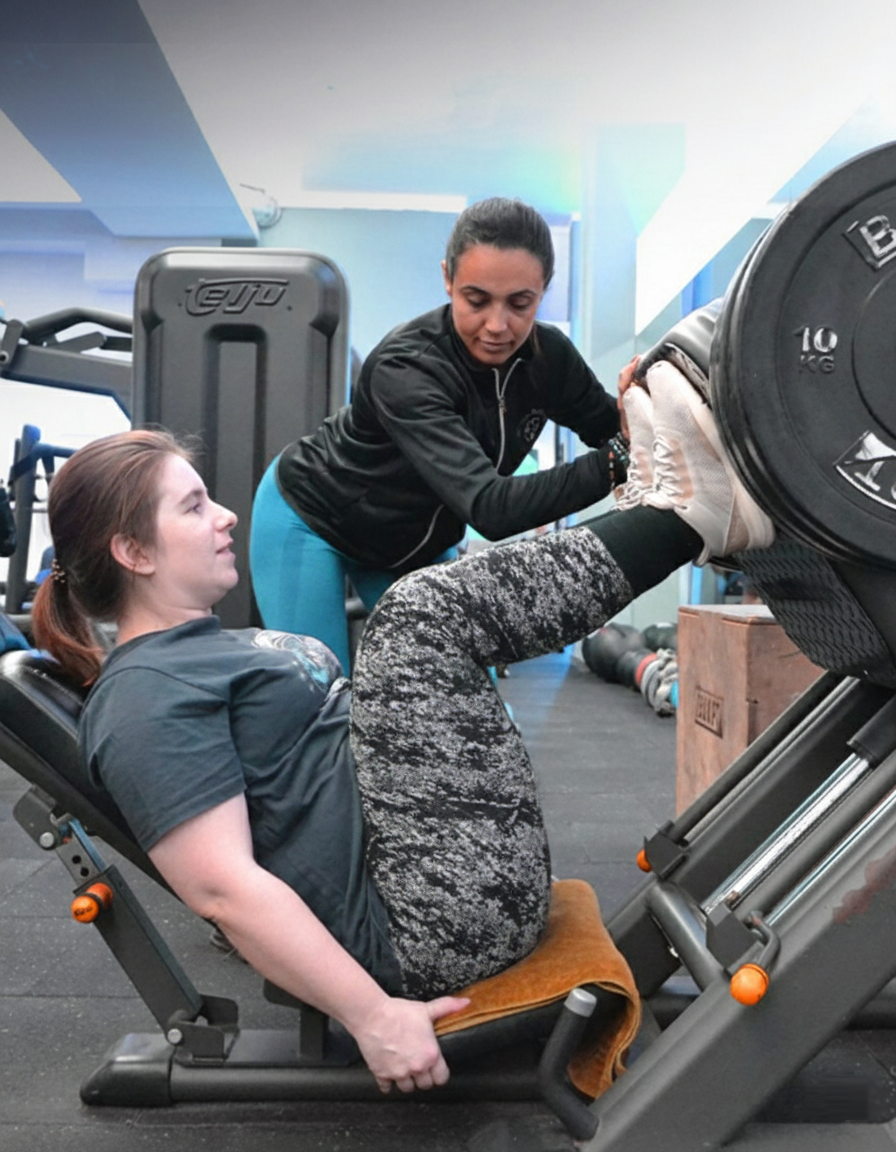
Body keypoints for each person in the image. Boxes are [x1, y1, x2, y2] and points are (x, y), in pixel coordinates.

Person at [31, 358, 774, 1096]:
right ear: (132, 552)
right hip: (424, 930)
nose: (225, 515)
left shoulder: (202, 649)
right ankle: (686, 518)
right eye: (192, 507)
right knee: (417, 616)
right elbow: (222, 890)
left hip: (439, 870)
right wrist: (375, 1016)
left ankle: (664, 508)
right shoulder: (142, 698)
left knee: (417, 612)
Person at [249, 196, 636, 669]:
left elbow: (611, 429)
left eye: (520, 303)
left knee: (464, 697)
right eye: (477, 300)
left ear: (543, 290)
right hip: (312, 517)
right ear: (448, 279)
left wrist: (638, 411)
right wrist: (618, 460)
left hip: (412, 546)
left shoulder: (550, 359)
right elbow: (490, 508)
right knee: (321, 691)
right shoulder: (407, 366)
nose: (497, 325)